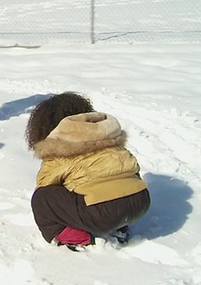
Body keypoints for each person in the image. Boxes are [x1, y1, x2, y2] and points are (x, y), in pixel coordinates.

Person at [25, 92, 150, 251]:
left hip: (102, 212)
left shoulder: (58, 149)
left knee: (42, 199)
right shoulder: (110, 139)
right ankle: (120, 226)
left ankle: (77, 237)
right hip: (141, 201)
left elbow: (45, 184)